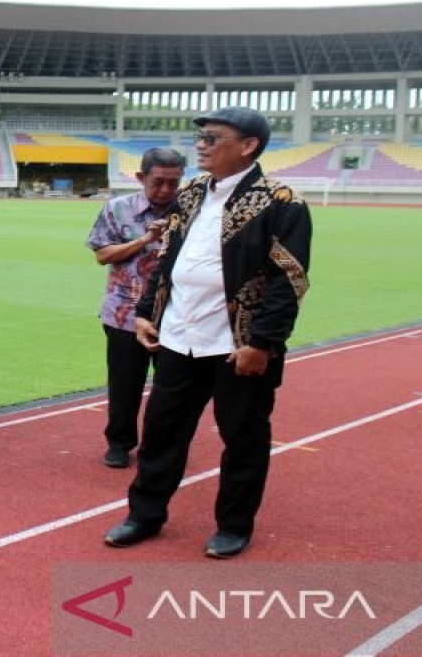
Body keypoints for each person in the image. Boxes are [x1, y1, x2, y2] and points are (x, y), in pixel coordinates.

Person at [103, 107, 312, 559]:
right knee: (160, 433)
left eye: (213, 138)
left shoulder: (281, 202)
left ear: (248, 145)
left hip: (237, 346)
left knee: (243, 439)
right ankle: (145, 515)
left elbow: (289, 280)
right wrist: (145, 312)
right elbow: (167, 259)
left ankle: (234, 525)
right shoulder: (194, 191)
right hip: (179, 337)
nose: (201, 145)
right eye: (201, 137)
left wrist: (262, 343)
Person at [86, 148, 184, 468]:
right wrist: (145, 239)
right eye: (158, 182)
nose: (166, 190)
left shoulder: (191, 209)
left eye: (174, 182)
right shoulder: (117, 209)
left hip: (175, 313)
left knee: (172, 388)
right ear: (141, 177)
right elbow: (102, 255)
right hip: (124, 312)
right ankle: (119, 443)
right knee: (125, 385)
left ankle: (162, 446)